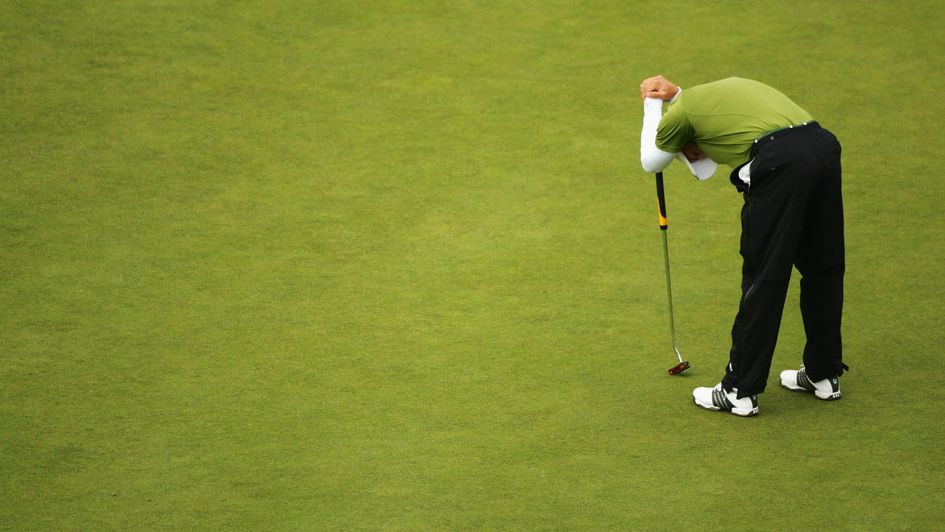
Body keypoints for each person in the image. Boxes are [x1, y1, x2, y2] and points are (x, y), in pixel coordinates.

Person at [638, 75, 848, 417]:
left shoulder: (680, 115)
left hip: (780, 162)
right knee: (823, 267)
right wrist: (671, 94)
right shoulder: (710, 96)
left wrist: (651, 105)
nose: (701, 156)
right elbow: (695, 105)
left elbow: (651, 161)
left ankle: (739, 390)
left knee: (764, 277)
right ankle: (823, 374)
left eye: (693, 153)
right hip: (822, 148)